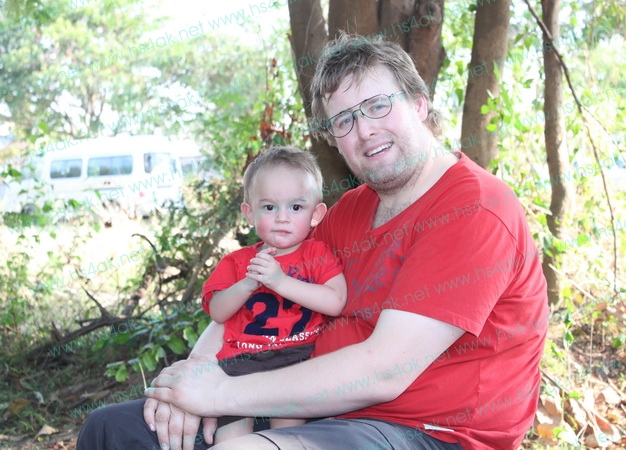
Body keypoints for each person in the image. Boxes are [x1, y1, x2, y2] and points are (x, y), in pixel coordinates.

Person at [76, 32, 548, 450]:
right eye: (343, 120)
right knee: (110, 431)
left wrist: (220, 393)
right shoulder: (349, 211)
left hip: (429, 433)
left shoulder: (474, 208)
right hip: (320, 407)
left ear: (420, 104)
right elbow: (258, 281)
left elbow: (384, 371)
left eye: (378, 106)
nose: (365, 130)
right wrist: (195, 374)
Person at [202, 146, 347, 443]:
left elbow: (335, 302)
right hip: (240, 363)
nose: (282, 218)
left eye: (296, 207)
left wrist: (280, 282)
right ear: (249, 213)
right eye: (269, 208)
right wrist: (247, 284)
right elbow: (217, 312)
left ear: (316, 214)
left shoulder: (316, 255)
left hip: (297, 361)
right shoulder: (237, 262)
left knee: (284, 438)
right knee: (231, 441)